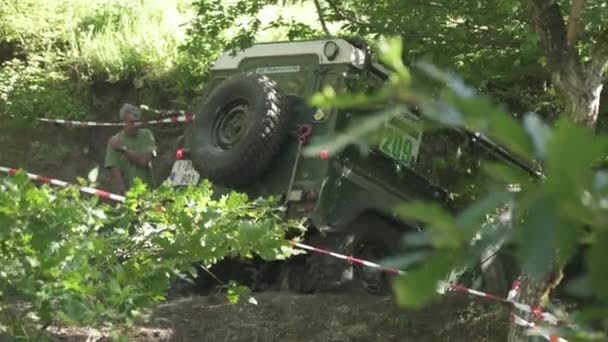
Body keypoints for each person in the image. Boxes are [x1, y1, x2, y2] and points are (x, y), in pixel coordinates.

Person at [104, 103, 157, 194]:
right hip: (128, 193)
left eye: (137, 121)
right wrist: (124, 195)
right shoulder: (114, 141)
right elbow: (115, 171)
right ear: (123, 122)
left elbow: (145, 160)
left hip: (148, 192)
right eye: (131, 122)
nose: (135, 125)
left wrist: (123, 148)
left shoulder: (146, 135)